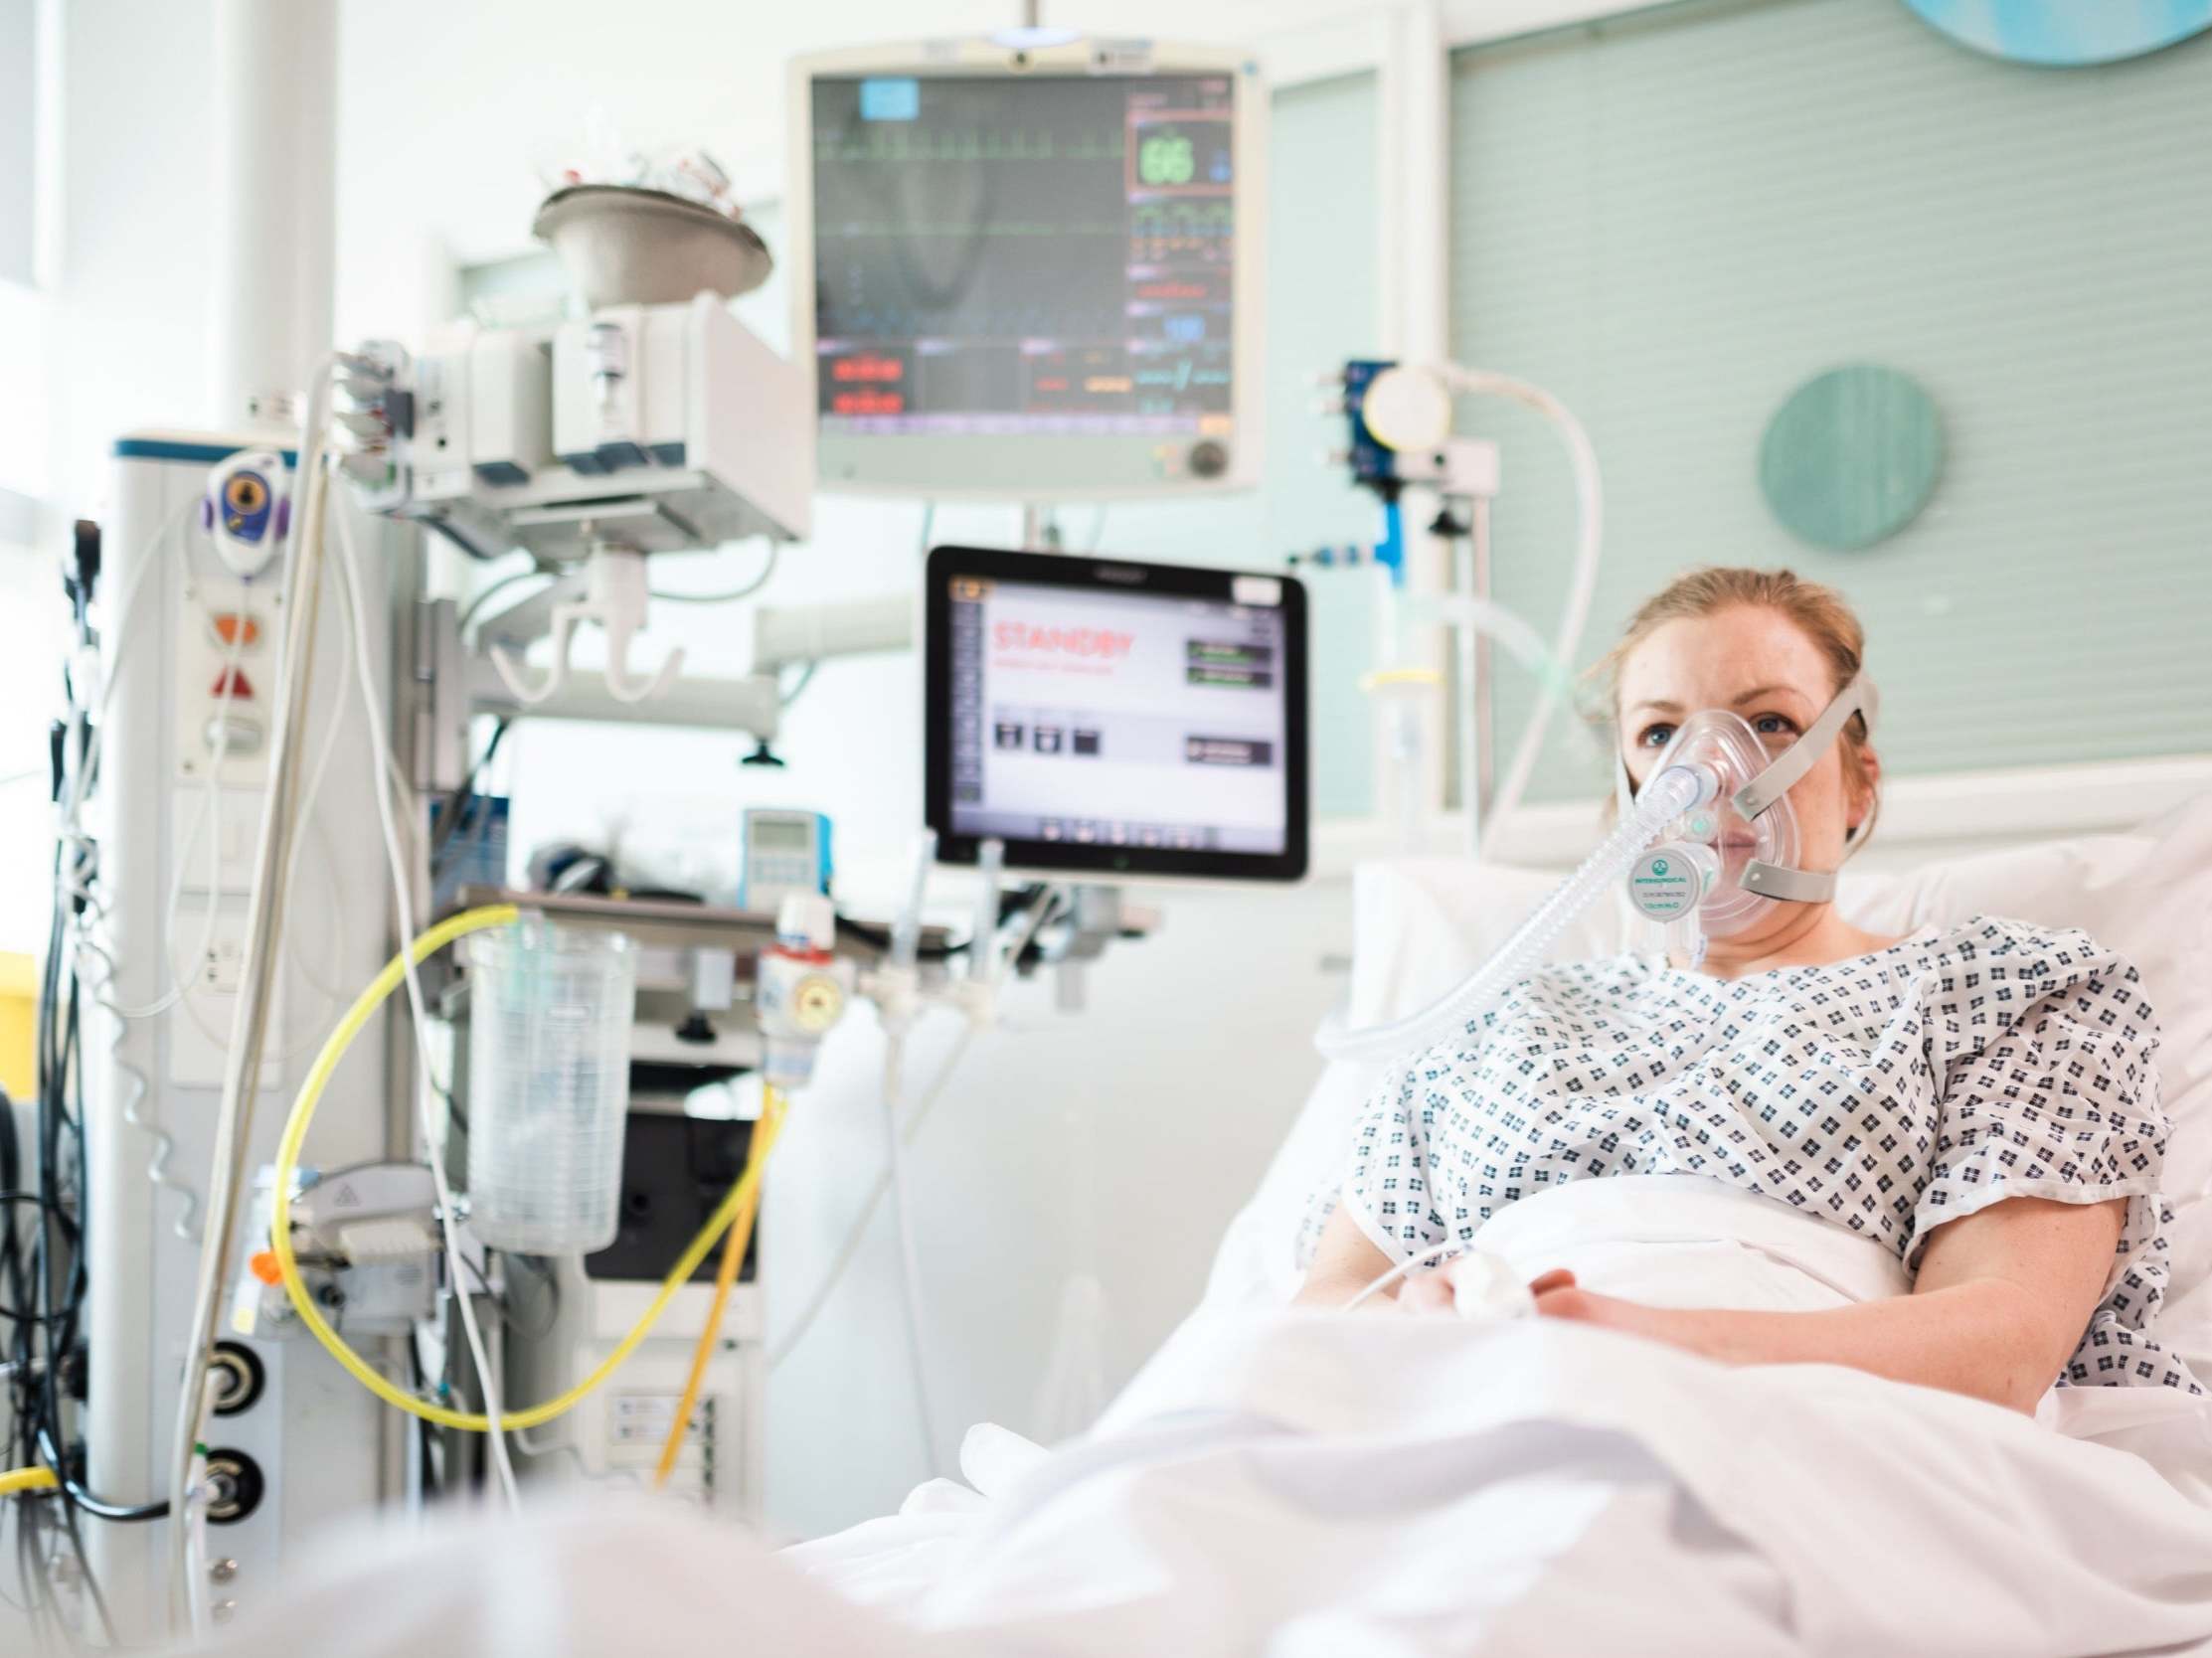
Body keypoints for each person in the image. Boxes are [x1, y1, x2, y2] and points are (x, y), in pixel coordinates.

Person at [1294, 567, 2193, 1409]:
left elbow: (2001, 1343)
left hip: (1796, 1420)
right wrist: (1427, 1336)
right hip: (1463, 1392)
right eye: (1659, 734)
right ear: (1629, 798)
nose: (1709, 770)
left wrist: (1630, 1346)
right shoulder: (1498, 1018)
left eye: (1766, 724)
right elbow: (1327, 1299)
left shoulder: (2002, 994)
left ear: (1854, 783)